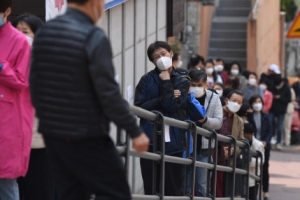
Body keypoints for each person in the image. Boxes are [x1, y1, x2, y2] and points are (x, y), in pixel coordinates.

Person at [30, 0, 149, 199]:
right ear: (94, 2)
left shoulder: (45, 32)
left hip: (53, 135)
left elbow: (35, 83)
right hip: (85, 133)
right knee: (115, 192)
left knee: (71, 194)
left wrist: (46, 120)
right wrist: (134, 131)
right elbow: (108, 92)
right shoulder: (93, 36)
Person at [134, 41, 190, 196]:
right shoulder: (146, 80)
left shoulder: (182, 81)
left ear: (171, 54)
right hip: (149, 140)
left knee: (171, 188)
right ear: (153, 61)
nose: (161, 58)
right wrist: (160, 98)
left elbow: (171, 106)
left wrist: (166, 81)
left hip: (172, 142)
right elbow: (139, 108)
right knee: (151, 187)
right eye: (156, 57)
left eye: (164, 54)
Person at [12, 13, 55, 200]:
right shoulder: (9, 63)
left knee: (39, 190)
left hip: (39, 142)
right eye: (16, 31)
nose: (20, 36)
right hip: (12, 143)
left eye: (25, 31)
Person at [0, 1, 34, 199]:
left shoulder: (20, 42)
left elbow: (22, 80)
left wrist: (1, 67)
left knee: (5, 182)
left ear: (7, 12)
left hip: (9, 122)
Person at [185, 69, 223, 197]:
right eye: (193, 85)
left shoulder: (214, 98)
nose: (196, 88)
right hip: (185, 148)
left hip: (204, 150)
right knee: (185, 186)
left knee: (203, 187)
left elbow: (218, 122)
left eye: (199, 85)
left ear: (206, 85)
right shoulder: (184, 97)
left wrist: (205, 120)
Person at [215, 90, 244, 197]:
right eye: (234, 100)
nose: (236, 104)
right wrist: (221, 150)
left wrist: (232, 151)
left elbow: (240, 140)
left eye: (239, 102)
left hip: (229, 159)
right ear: (227, 100)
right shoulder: (217, 112)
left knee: (226, 188)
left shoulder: (239, 121)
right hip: (215, 154)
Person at [248, 95, 273, 200]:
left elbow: (270, 131)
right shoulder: (249, 117)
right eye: (255, 102)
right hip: (252, 146)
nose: (257, 104)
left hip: (263, 147)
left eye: (259, 101)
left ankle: (265, 193)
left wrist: (266, 142)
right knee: (252, 167)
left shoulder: (266, 116)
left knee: (264, 169)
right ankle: (253, 191)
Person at [269, 76, 291, 150]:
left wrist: (280, 98)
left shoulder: (287, 88)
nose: (277, 86)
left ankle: (279, 142)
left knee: (280, 127)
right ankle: (269, 140)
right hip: (272, 109)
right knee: (269, 123)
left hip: (281, 110)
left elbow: (289, 99)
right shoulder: (272, 87)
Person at [243, 123, 265, 200]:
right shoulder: (241, 142)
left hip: (253, 176)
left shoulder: (259, 145)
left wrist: (248, 160)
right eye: (244, 134)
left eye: (247, 135)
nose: (245, 136)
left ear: (252, 134)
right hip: (242, 176)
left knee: (252, 197)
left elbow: (261, 161)